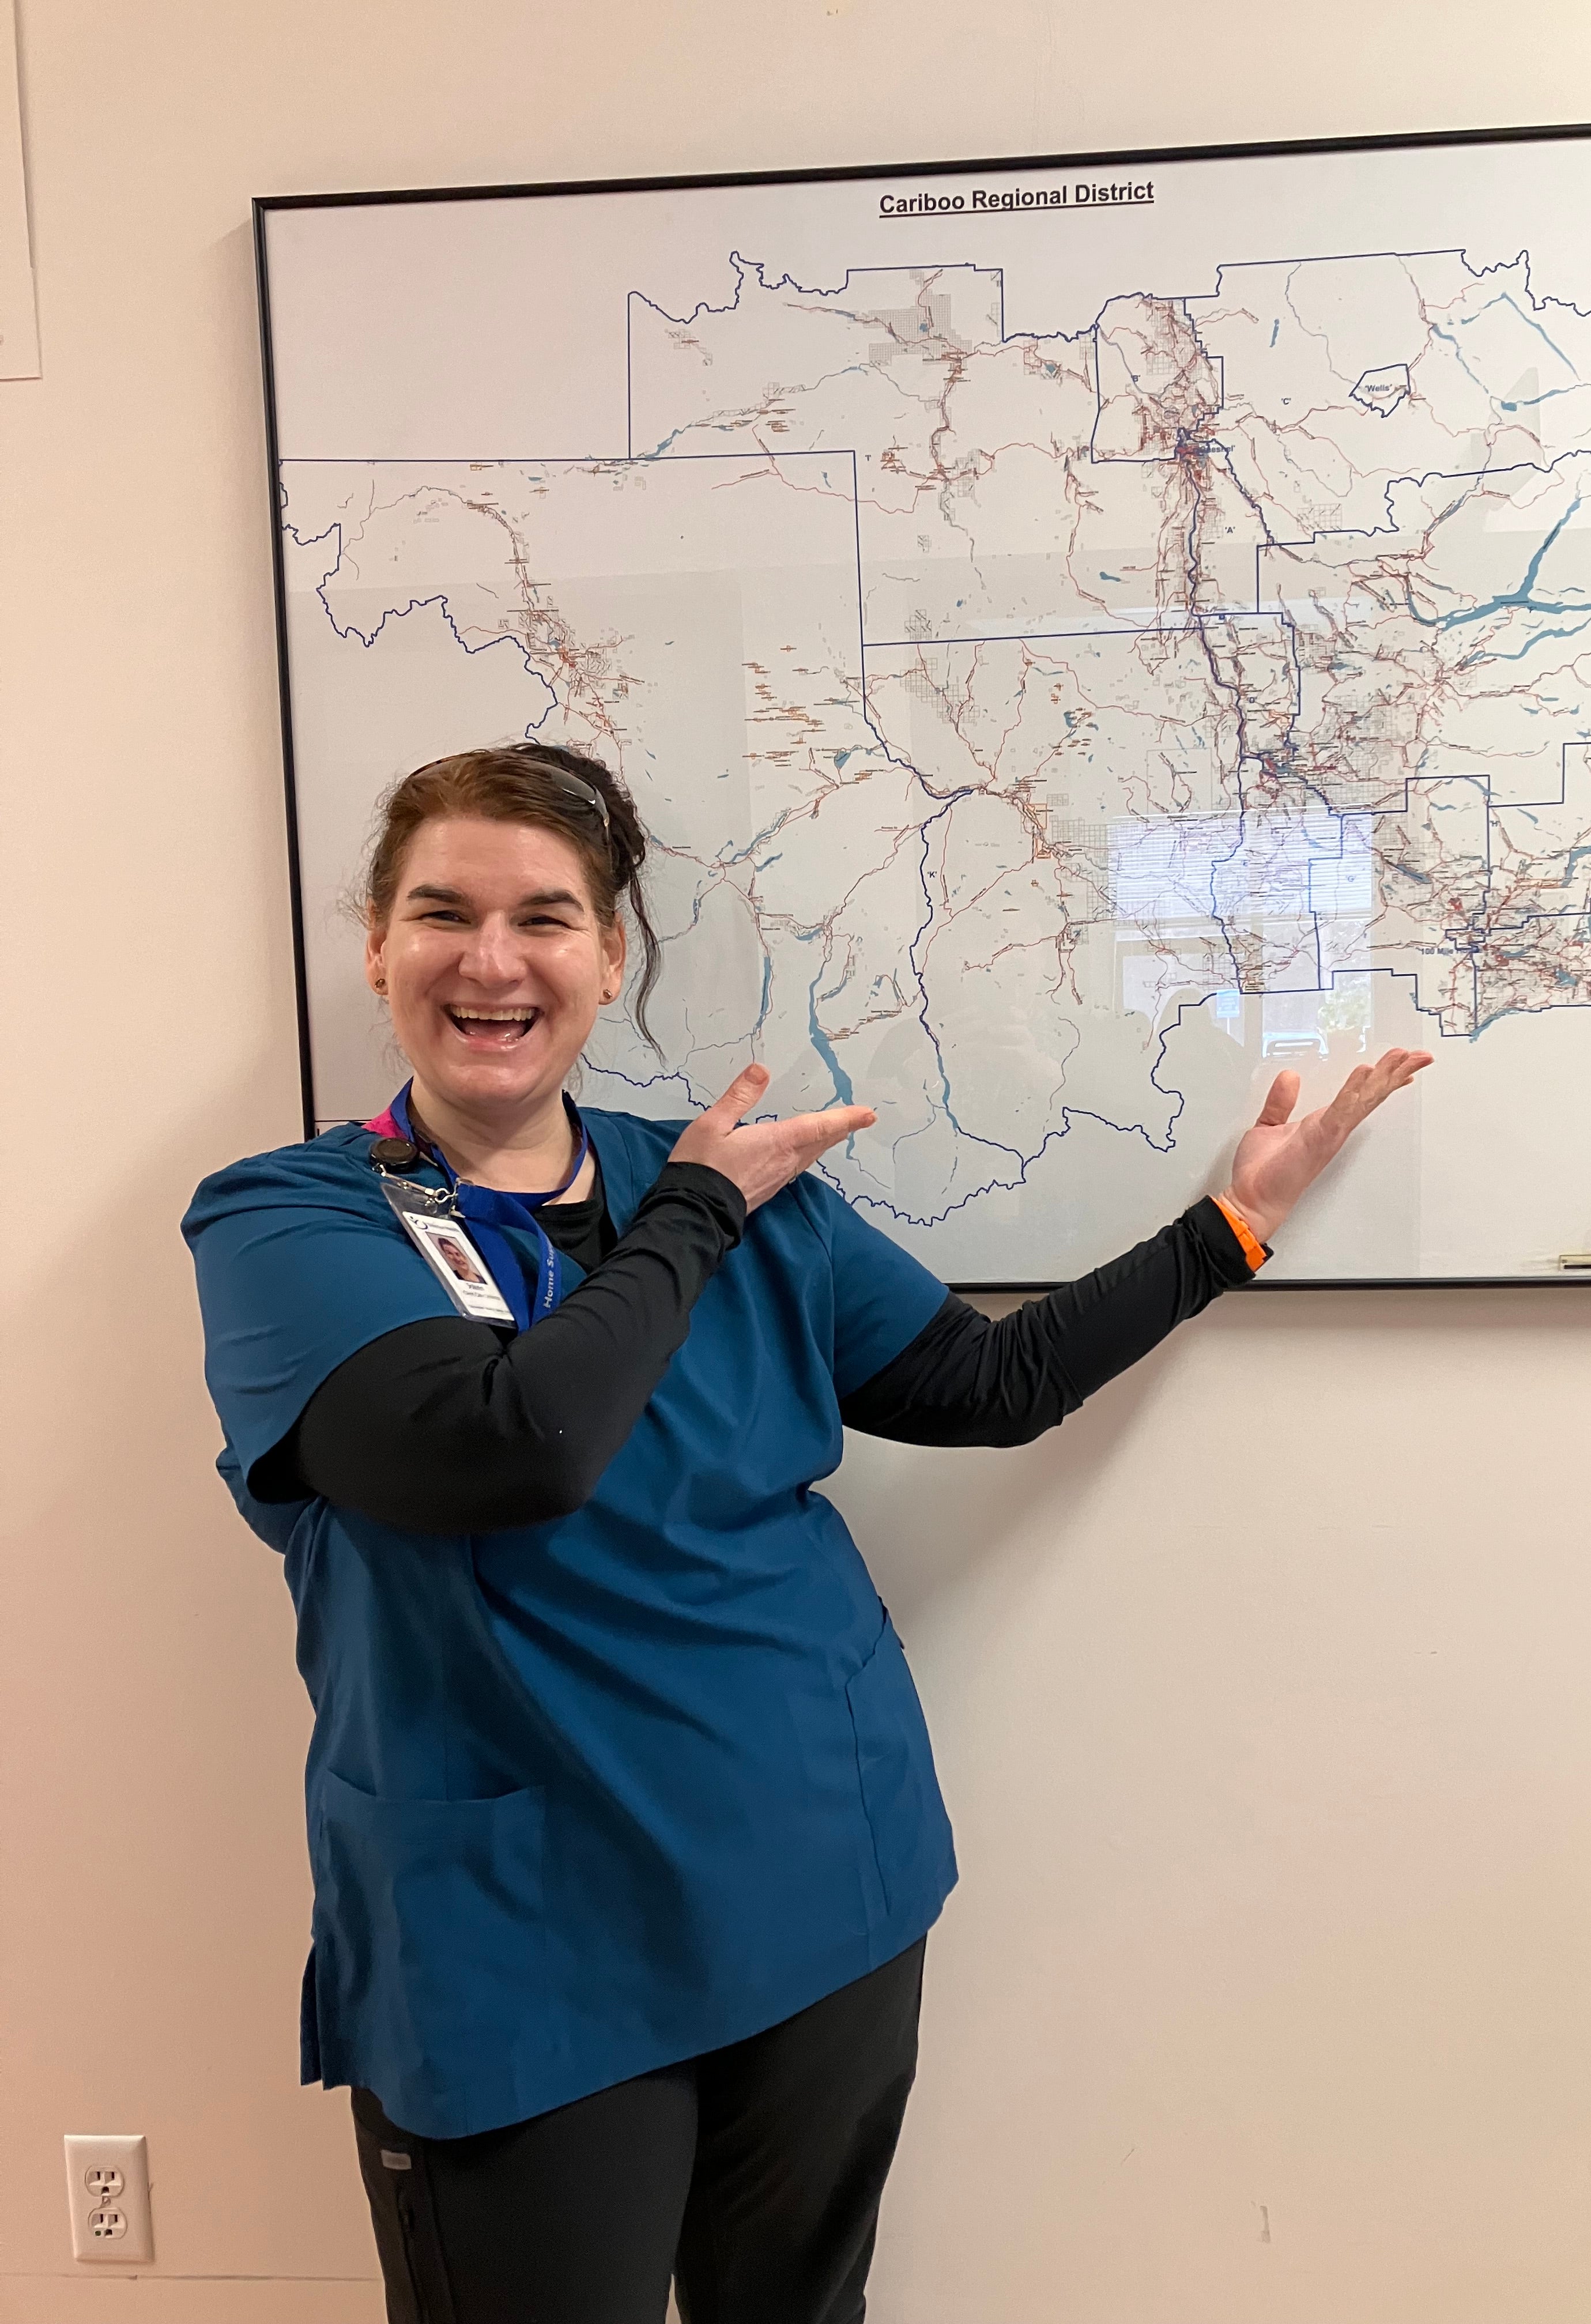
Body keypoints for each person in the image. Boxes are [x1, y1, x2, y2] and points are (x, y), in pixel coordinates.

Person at [184, 742, 1430, 2324]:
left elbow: (991, 1384)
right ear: (376, 943)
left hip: (818, 1874)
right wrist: (696, 1211)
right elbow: (514, 1452)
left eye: (547, 919)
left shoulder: (722, 1185)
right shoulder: (292, 1220)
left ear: (610, 957)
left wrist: (1232, 1224)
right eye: (445, 913)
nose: (492, 961)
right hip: (516, 1934)